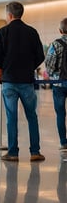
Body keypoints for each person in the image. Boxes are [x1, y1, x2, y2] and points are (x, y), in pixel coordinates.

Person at [0, 1, 45, 162]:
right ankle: (35, 152)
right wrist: (29, 67)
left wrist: (6, 68)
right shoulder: (32, 32)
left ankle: (13, 152)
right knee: (32, 116)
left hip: (9, 81)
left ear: (9, 15)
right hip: (27, 81)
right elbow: (40, 56)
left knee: (11, 117)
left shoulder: (3, 32)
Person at [45, 18, 67, 150]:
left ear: (60, 30)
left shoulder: (55, 44)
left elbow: (49, 65)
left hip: (59, 84)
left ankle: (64, 142)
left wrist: (53, 75)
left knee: (60, 113)